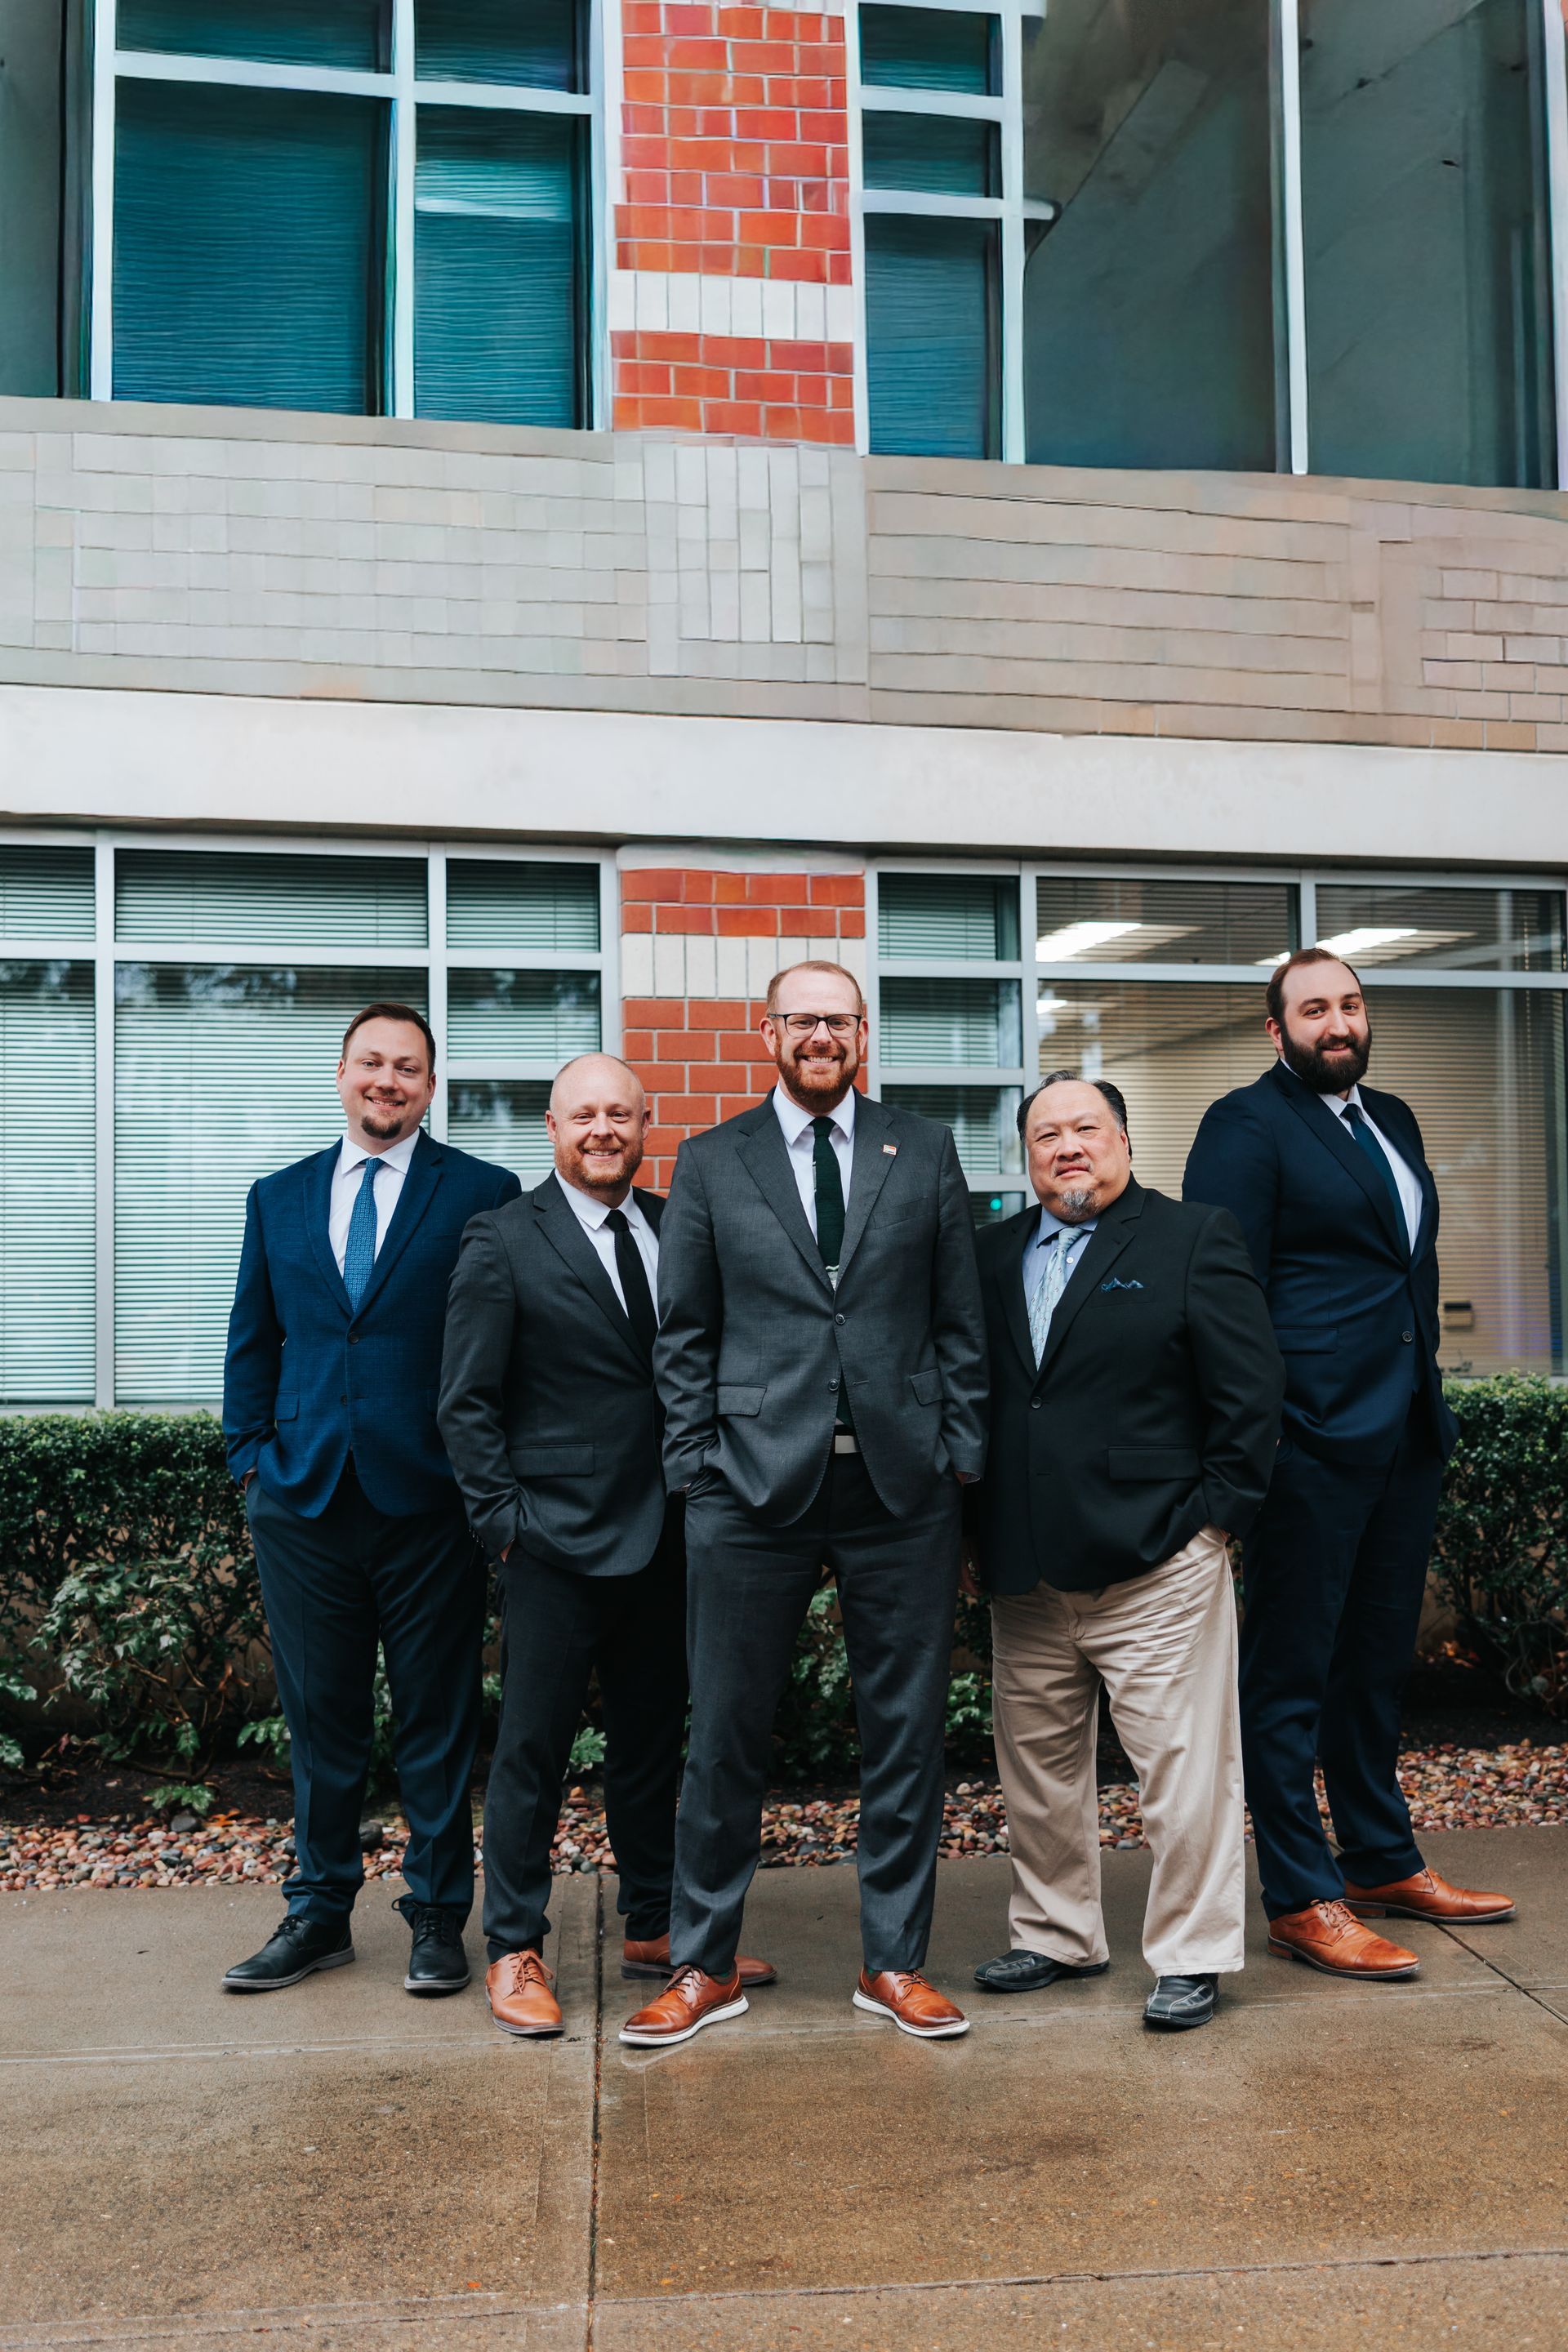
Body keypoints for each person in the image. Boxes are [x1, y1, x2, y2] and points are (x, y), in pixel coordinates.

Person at [620, 960, 988, 2047]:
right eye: (802, 1019)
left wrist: (958, 1452)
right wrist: (696, 1466)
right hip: (750, 1487)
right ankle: (703, 1966)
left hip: (899, 1487)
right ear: (766, 1031)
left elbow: (958, 1319)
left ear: (862, 1035)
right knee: (725, 1735)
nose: (821, 1036)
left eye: (840, 1020)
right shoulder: (712, 1158)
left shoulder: (919, 1149)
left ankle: (894, 1963)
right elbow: (682, 1335)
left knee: (906, 1734)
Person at [1184, 948, 1514, 1979]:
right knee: (1289, 1674)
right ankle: (1301, 1894)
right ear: (1276, 1031)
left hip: (1405, 1433)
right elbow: (1222, 1294)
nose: (1339, 1022)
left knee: (1374, 1665)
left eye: (1352, 1005)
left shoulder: (1396, 1120)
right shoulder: (1245, 1126)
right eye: (1315, 1008)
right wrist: (1261, 1431)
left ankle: (1377, 1859)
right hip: (1309, 1442)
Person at [438, 1053, 775, 2038]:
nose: (603, 1131)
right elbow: (465, 1403)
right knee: (532, 1752)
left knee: (652, 1743)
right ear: (551, 1127)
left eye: (620, 1115)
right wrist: (504, 1527)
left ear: (645, 1125)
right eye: (584, 1115)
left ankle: (655, 1925)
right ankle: (513, 1945)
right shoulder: (502, 1238)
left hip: (674, 1534)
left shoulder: (679, 1226)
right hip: (552, 1542)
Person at [968, 1074, 1283, 2031]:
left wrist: (1214, 1524)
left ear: (1124, 1139)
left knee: (1183, 1773)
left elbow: (1251, 1392)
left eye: (1086, 1129)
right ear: (1026, 1156)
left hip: (1157, 1563)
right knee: (1036, 1771)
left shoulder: (1192, 1238)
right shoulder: (989, 1255)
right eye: (1046, 1135)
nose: (1067, 1147)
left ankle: (1191, 1955)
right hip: (1026, 1568)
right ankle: (1058, 1934)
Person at [221, 1003, 520, 1996]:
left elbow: (503, 1347)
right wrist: (252, 1461)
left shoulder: (482, 1194)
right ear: (341, 1073)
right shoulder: (279, 1197)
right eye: (371, 1063)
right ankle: (318, 1913)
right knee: (322, 1720)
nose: (387, 1080)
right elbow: (252, 1341)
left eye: (407, 1067)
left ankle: (438, 1916)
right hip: (302, 1503)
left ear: (431, 1087)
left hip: (429, 1501)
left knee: (436, 1719)